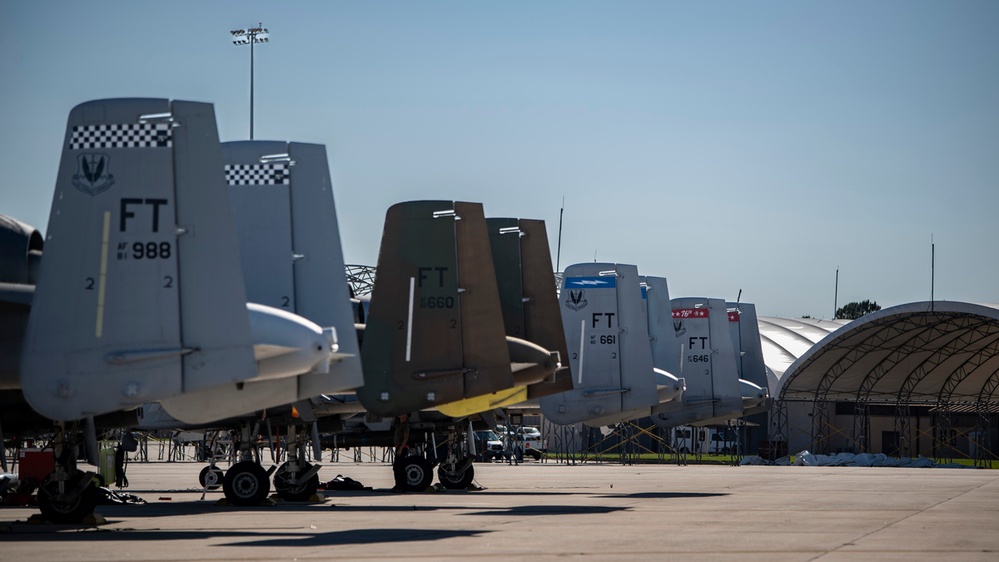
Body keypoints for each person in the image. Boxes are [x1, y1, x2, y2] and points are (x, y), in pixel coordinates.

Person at [391, 413, 410, 492]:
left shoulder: (405, 425)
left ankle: (399, 486)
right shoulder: (399, 424)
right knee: (400, 467)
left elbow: (406, 437)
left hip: (402, 448)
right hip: (399, 447)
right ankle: (402, 486)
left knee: (398, 467)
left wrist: (401, 448)